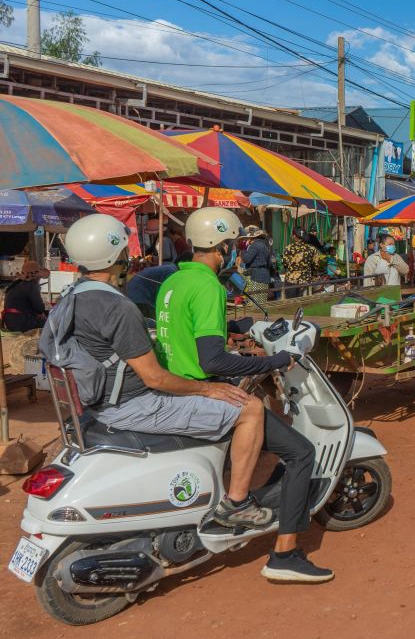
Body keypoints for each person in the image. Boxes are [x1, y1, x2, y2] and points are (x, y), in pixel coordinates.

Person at [56, 214, 270, 530]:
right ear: (115, 255)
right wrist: (209, 389)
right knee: (250, 409)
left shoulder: (70, 298)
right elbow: (154, 378)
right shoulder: (118, 308)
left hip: (98, 401)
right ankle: (237, 504)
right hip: (133, 404)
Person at [156, 208, 332, 583]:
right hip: (206, 392)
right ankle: (283, 552)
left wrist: (236, 326)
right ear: (221, 246)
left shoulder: (174, 281)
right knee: (301, 452)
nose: (236, 252)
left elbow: (189, 331)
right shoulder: (208, 286)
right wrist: (275, 360)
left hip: (178, 387)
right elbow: (212, 359)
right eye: (233, 245)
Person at [126, 252, 193, 319]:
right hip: (140, 297)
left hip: (135, 294)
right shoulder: (172, 272)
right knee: (152, 322)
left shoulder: (170, 268)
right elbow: (167, 295)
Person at [2, 260, 49, 332]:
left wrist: (40, 312)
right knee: (50, 322)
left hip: (10, 321)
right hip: (20, 323)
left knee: (47, 314)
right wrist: (41, 313)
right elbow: (39, 308)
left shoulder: (17, 283)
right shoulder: (31, 284)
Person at [240, 225, 276, 302]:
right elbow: (269, 263)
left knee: (255, 301)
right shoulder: (265, 246)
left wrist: (243, 250)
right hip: (265, 276)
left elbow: (246, 259)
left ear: (252, 237)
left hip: (256, 277)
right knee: (261, 301)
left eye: (248, 238)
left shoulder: (255, 245)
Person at [281, 228, 319, 297]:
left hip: (291, 282)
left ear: (294, 236)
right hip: (305, 281)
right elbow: (315, 265)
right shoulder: (312, 249)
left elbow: (285, 264)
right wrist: (313, 275)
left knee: (291, 302)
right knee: (304, 303)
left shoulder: (288, 248)